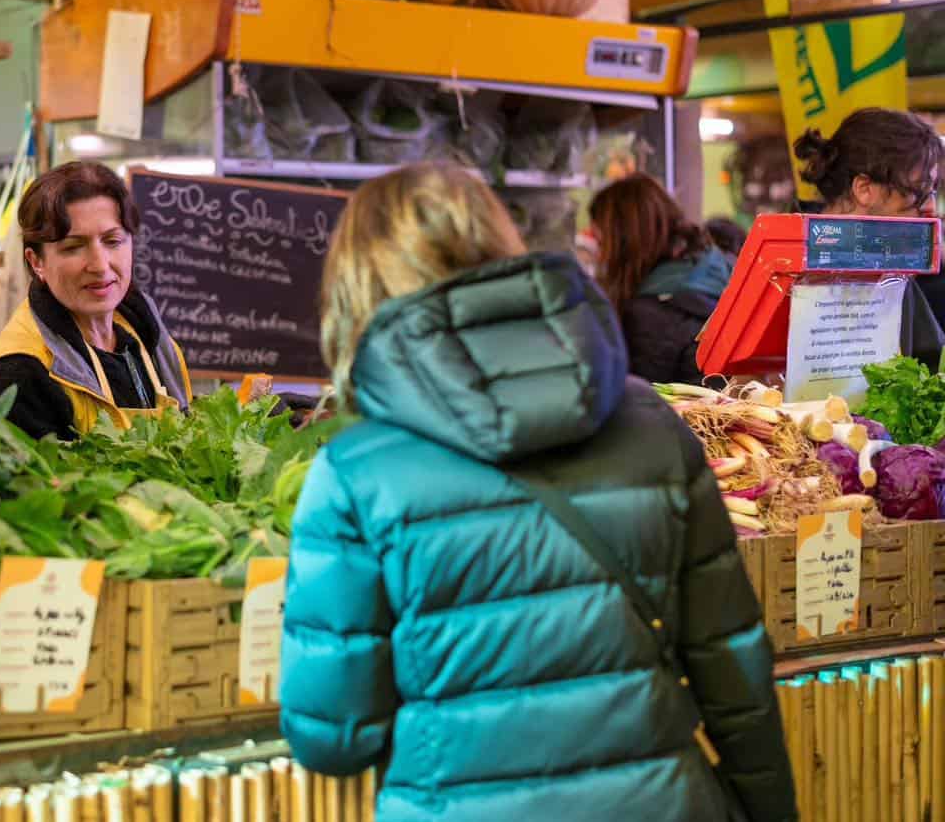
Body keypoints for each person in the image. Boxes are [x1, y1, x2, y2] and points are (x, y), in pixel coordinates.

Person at [279, 163, 794, 821]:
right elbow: (733, 668)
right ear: (501, 246)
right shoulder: (647, 422)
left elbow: (334, 738)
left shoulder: (353, 473)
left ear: (359, 284)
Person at [0, 162, 192, 440]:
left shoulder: (150, 339)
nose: (99, 265)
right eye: (73, 247)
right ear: (36, 262)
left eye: (112, 241)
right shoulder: (18, 376)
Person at [795, 108, 945, 367]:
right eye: (920, 192)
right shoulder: (782, 261)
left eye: (933, 193)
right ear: (864, 189)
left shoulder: (894, 265)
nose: (931, 208)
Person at [589, 174, 733, 384]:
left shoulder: (650, 312)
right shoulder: (715, 268)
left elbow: (643, 399)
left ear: (624, 241)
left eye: (602, 243)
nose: (600, 256)